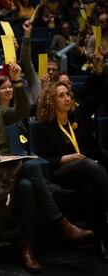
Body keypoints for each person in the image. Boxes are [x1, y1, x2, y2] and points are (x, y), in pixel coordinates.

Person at [0, 64, 94, 273]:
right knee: (30, 166)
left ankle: (27, 250)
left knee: (26, 185)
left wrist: (18, 82)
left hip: (13, 172)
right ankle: (59, 223)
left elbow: (24, 111)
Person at [36, 51, 108, 259]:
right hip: (63, 172)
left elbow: (97, 92)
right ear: (52, 100)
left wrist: (98, 68)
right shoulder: (44, 127)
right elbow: (42, 161)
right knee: (87, 166)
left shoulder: (79, 117)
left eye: (68, 95)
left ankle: (101, 241)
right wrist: (62, 159)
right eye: (61, 95)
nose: (67, 98)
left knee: (92, 186)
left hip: (90, 172)